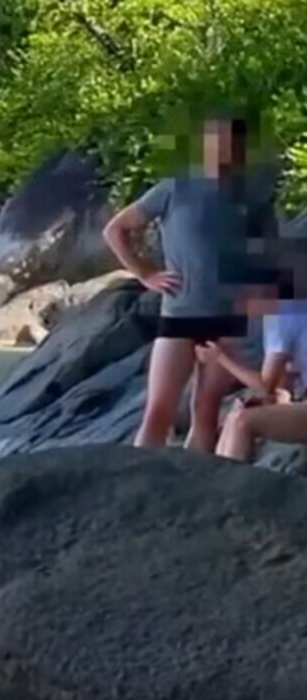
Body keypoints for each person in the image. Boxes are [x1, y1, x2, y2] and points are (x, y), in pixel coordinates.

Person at [104, 115, 281, 451]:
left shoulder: (252, 197)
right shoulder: (175, 188)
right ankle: (136, 482)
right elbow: (116, 230)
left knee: (205, 409)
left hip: (227, 318)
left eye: (228, 142)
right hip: (180, 312)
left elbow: (269, 254)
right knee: (159, 410)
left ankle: (194, 486)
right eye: (214, 141)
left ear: (240, 150)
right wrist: (145, 273)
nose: (220, 149)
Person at [206, 299, 307, 461]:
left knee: (242, 422)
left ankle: (225, 484)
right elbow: (282, 387)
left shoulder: (283, 313)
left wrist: (220, 357)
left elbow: (265, 386)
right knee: (236, 414)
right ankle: (218, 482)